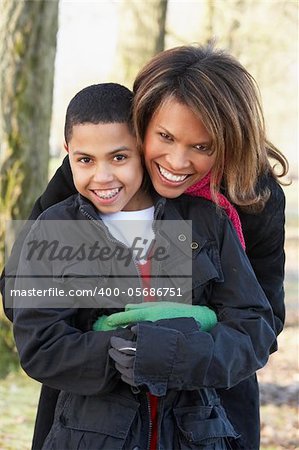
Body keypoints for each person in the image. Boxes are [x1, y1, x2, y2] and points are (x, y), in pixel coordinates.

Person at [1, 43, 287, 449]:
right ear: (141, 125)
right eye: (165, 137)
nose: (175, 161)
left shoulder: (247, 197)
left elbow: (259, 317)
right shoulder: (96, 176)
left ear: (227, 142)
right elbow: (21, 293)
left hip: (210, 400)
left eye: (201, 146)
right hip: (96, 410)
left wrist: (185, 332)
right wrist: (119, 331)